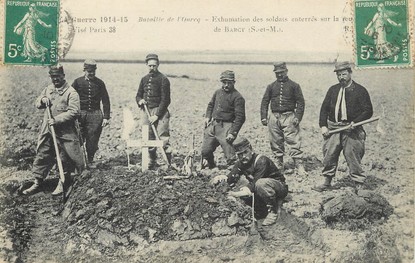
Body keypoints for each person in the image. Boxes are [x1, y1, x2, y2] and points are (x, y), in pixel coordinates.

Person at [23, 65, 85, 195]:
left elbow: (74, 112)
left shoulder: (71, 93)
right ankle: (37, 182)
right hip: (48, 131)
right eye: (52, 77)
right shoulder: (48, 89)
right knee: (43, 155)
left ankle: (62, 183)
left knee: (64, 158)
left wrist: (57, 120)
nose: (55, 79)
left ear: (63, 76)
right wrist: (42, 100)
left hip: (65, 133)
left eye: (57, 76)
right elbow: (37, 103)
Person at [313, 61, 373, 192]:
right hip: (334, 128)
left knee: (353, 155)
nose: (341, 77)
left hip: (352, 129)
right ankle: (327, 182)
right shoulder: (333, 90)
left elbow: (368, 111)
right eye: (339, 75)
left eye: (344, 74)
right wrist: (323, 126)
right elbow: (324, 109)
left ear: (350, 73)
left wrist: (355, 122)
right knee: (329, 154)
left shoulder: (360, 91)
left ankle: (359, 184)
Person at [211, 137, 288, 226]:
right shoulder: (241, 163)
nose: (243, 156)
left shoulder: (261, 160)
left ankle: (273, 212)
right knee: (243, 189)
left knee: (260, 184)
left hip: (278, 187)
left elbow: (255, 183)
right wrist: (221, 178)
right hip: (260, 190)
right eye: (240, 154)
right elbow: (231, 178)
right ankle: (260, 211)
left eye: (245, 152)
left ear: (250, 149)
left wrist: (235, 194)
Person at [260, 62, 307, 176]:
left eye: (281, 72)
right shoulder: (271, 86)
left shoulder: (294, 86)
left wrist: (298, 117)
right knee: (275, 141)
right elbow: (265, 101)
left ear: (286, 71)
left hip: (289, 116)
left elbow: (300, 102)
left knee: (293, 140)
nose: (280, 75)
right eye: (277, 73)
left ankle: (299, 164)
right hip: (274, 117)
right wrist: (263, 117)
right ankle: (279, 164)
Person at [201, 70, 245, 168]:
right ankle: (211, 165)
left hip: (227, 126)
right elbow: (211, 105)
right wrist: (207, 117)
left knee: (230, 155)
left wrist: (233, 132)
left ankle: (233, 172)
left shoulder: (237, 97)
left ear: (234, 83)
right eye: (224, 82)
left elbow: (240, 117)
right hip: (213, 125)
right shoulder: (217, 92)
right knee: (205, 150)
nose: (226, 85)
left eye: (229, 83)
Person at [72, 59, 111, 167]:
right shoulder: (77, 82)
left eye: (93, 71)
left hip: (95, 115)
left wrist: (106, 117)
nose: (92, 73)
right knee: (77, 138)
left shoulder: (100, 83)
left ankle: (90, 160)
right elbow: (70, 98)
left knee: (92, 140)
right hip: (80, 114)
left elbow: (105, 100)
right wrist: (72, 113)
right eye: (89, 71)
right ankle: (74, 162)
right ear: (84, 70)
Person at [136, 54, 171, 168]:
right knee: (148, 136)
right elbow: (138, 95)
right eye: (150, 65)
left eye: (154, 66)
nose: (152, 68)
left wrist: (157, 115)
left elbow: (166, 100)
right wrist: (140, 100)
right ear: (146, 65)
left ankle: (167, 162)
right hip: (146, 111)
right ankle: (152, 161)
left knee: (163, 136)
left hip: (160, 111)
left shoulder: (163, 79)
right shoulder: (144, 79)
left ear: (158, 65)